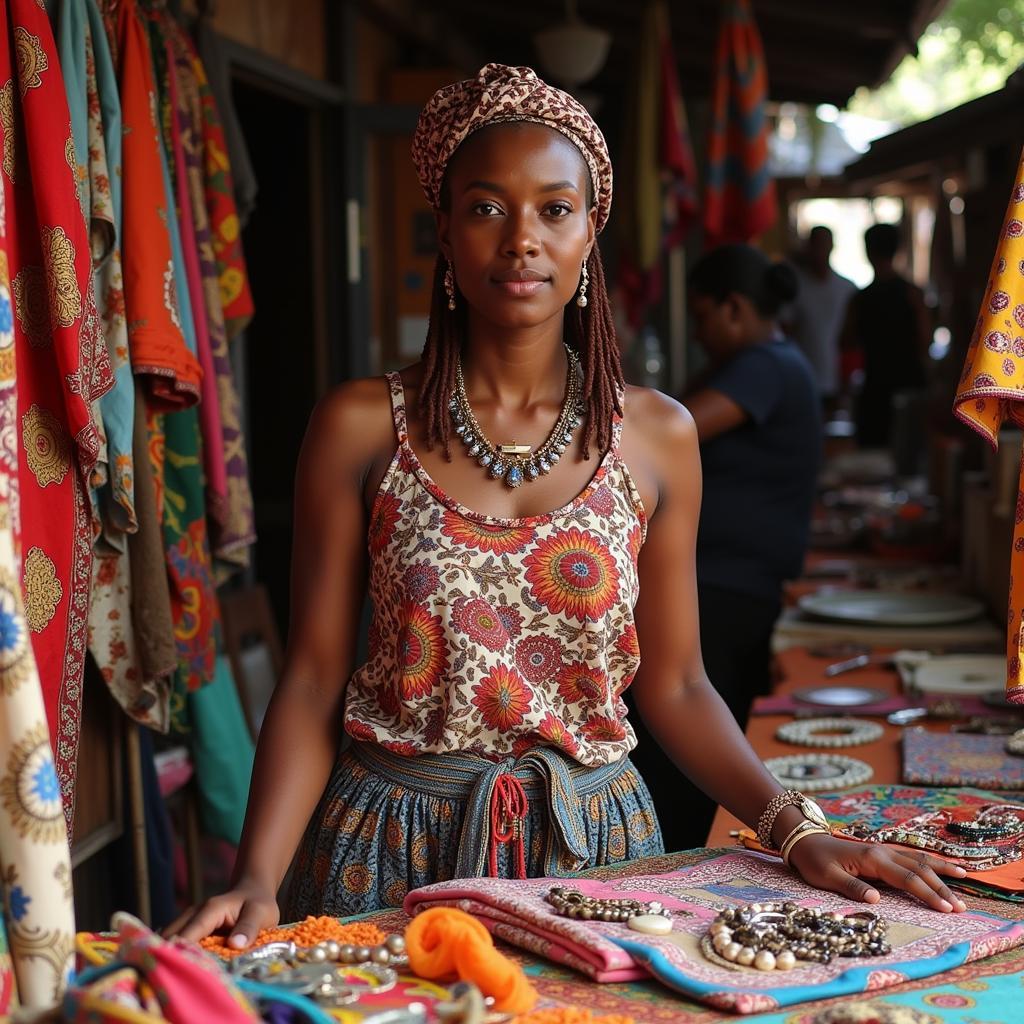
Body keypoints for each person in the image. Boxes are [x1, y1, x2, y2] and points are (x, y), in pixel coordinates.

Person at [171, 65, 966, 948]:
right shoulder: (359, 425)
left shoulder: (657, 435)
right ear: (444, 230)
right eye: (486, 207)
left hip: (595, 857)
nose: (521, 240)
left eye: (555, 209)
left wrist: (797, 827)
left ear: (590, 233)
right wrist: (254, 876)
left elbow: (677, 683)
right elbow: (316, 678)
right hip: (388, 851)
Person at [626, 245, 822, 849]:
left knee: (681, 755)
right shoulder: (771, 361)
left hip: (726, 589)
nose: (703, 333)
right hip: (735, 581)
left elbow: (664, 430)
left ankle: (684, 859)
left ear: (735, 309)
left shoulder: (765, 364)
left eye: (706, 317)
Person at [844, 223, 930, 446]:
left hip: (875, 390)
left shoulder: (860, 299)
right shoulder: (913, 294)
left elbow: (846, 342)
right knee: (910, 460)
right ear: (897, 250)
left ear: (868, 252)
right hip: (910, 386)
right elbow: (925, 341)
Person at [784, 225, 856, 405]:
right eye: (816, 245)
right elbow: (786, 333)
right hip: (801, 380)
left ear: (832, 246)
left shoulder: (847, 289)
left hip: (838, 380)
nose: (820, 251)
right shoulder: (796, 288)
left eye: (824, 244)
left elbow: (852, 341)